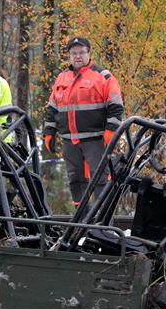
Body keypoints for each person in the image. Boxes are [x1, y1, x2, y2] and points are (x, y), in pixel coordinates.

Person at [42, 37, 124, 207]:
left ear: (88, 53)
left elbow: (116, 104)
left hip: (95, 140)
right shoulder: (62, 78)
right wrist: (49, 132)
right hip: (69, 141)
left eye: (81, 52)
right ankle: (81, 222)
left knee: (100, 179)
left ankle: (102, 223)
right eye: (73, 53)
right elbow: (52, 108)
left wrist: (111, 130)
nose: (77, 56)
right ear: (69, 56)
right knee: (75, 180)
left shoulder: (102, 76)